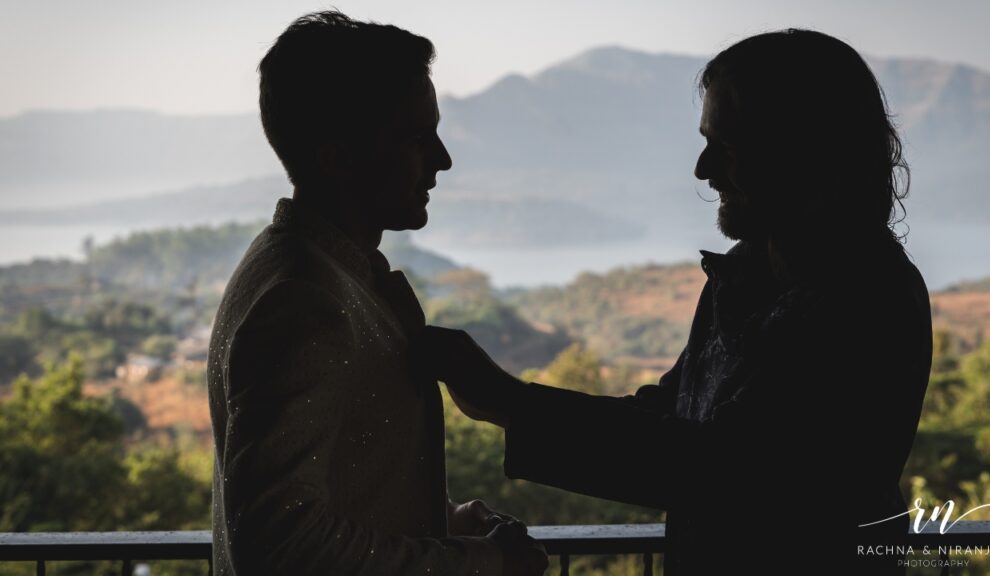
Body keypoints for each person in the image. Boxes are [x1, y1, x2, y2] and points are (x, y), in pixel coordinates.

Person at [423, 29, 931, 575]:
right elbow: (672, 412)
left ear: (802, 153)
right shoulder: (742, 279)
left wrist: (510, 402)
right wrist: (512, 404)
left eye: (728, 145)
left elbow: (719, 466)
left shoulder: (865, 301)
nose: (703, 169)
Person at [206, 11, 547, 575]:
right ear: (337, 158)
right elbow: (281, 544)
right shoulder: (303, 301)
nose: (442, 159)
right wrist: (483, 561)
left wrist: (445, 519)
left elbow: (343, 486)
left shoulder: (309, 269)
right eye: (415, 138)